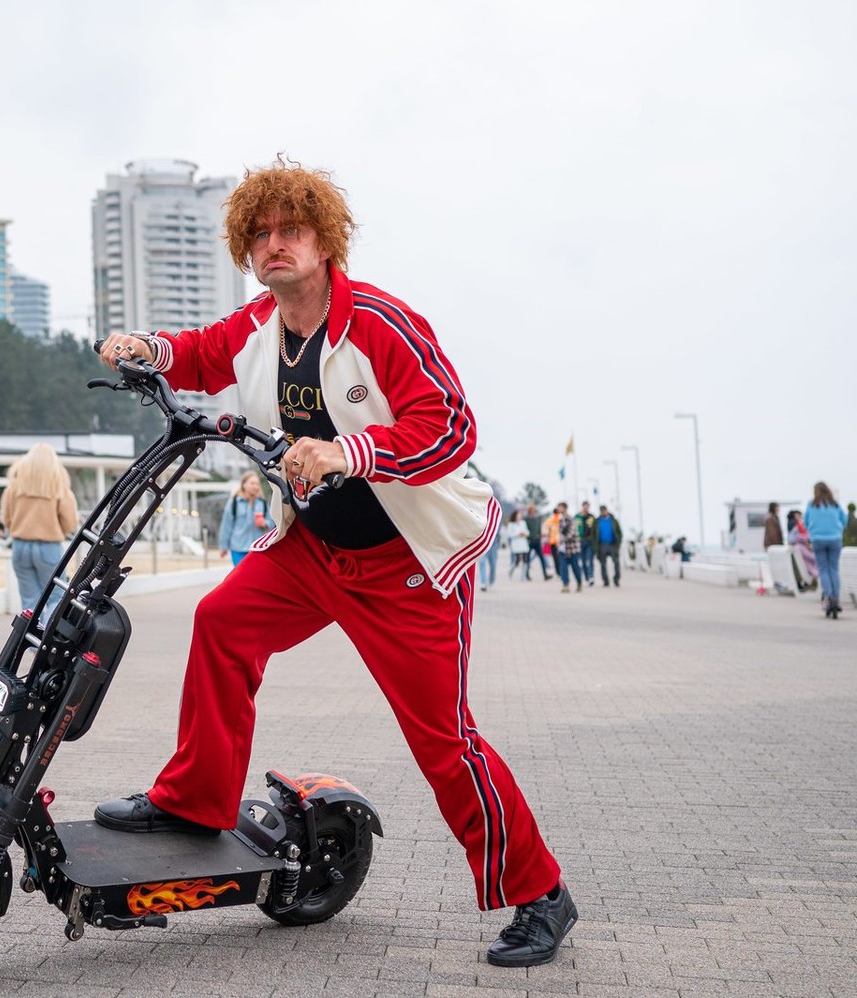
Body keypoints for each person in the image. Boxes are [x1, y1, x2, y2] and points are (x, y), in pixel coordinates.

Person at [95, 159, 574, 968]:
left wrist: (350, 450)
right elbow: (200, 352)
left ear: (325, 239)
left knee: (442, 742)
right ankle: (191, 801)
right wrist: (149, 346)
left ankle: (540, 896)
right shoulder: (257, 326)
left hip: (406, 566)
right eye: (259, 233)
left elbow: (449, 427)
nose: (273, 244)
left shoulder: (381, 323)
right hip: (313, 551)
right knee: (220, 620)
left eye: (290, 230)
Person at [0, 443, 79, 613]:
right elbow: (71, 523)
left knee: (30, 601)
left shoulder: (14, 487)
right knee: (55, 598)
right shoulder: (59, 487)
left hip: (20, 547)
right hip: (49, 547)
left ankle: (30, 638)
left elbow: (6, 519)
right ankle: (49, 639)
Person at [804, 482, 847, 616]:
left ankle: (828, 597)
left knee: (823, 569)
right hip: (835, 539)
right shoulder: (835, 504)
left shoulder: (812, 504)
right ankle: (836, 598)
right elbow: (844, 520)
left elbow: (806, 522)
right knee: (833, 569)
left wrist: (812, 530)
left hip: (818, 539)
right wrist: (837, 529)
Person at [218, 471, 271, 567]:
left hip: (257, 548)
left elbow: (271, 522)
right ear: (244, 484)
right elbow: (226, 525)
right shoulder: (234, 503)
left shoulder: (262, 503)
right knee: (242, 577)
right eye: (252, 483)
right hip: (238, 548)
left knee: (255, 576)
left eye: (257, 484)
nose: (255, 486)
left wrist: (265, 523)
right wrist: (223, 546)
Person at [552, 503, 582, 592]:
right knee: (563, 568)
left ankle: (579, 583)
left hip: (572, 548)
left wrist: (561, 539)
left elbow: (572, 534)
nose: (558, 509)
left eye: (560, 507)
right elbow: (557, 532)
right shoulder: (559, 520)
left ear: (565, 508)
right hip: (562, 549)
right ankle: (566, 585)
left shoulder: (571, 519)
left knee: (575, 567)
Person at [786, 510, 818, 590]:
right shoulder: (801, 545)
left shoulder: (798, 545)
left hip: (805, 563)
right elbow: (813, 558)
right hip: (812, 570)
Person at [595, 505, 623, 587]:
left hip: (613, 544)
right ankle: (605, 581)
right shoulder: (597, 521)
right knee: (603, 564)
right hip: (602, 545)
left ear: (607, 510)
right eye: (601, 511)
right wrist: (595, 546)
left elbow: (619, 533)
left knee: (616, 563)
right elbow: (594, 534)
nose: (603, 512)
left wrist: (618, 543)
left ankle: (616, 579)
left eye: (604, 510)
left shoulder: (613, 520)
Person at [523, 503, 552, 581]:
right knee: (527, 559)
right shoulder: (525, 519)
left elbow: (539, 529)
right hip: (529, 541)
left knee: (542, 558)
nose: (533, 512)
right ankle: (526, 574)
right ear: (529, 511)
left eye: (534, 510)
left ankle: (545, 574)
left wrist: (540, 536)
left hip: (537, 541)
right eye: (531, 510)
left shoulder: (537, 519)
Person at [575, 502, 597, 587]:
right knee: (583, 561)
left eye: (587, 507)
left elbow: (595, 529)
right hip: (580, 541)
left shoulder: (591, 517)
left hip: (589, 541)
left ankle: (591, 576)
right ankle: (587, 576)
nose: (586, 509)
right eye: (585, 507)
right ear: (582, 507)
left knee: (590, 560)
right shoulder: (577, 517)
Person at [505, 508, 530, 578]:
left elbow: (527, 532)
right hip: (516, 544)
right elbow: (509, 534)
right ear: (515, 516)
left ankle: (523, 576)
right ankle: (510, 571)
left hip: (524, 544)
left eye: (520, 515)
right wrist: (518, 534)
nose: (520, 516)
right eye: (518, 515)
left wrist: (525, 533)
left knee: (526, 560)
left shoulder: (523, 523)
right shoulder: (511, 524)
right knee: (517, 561)